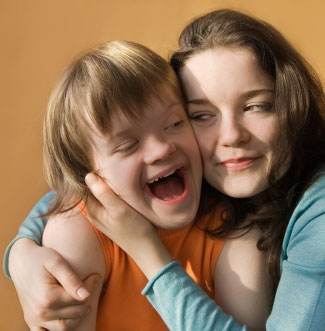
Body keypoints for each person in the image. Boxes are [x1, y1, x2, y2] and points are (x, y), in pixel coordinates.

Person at [5, 8, 325, 330]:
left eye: (256, 106)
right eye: (201, 115)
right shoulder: (79, 229)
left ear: (293, 102)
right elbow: (71, 191)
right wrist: (19, 252)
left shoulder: (289, 224)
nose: (231, 136)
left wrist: (146, 248)